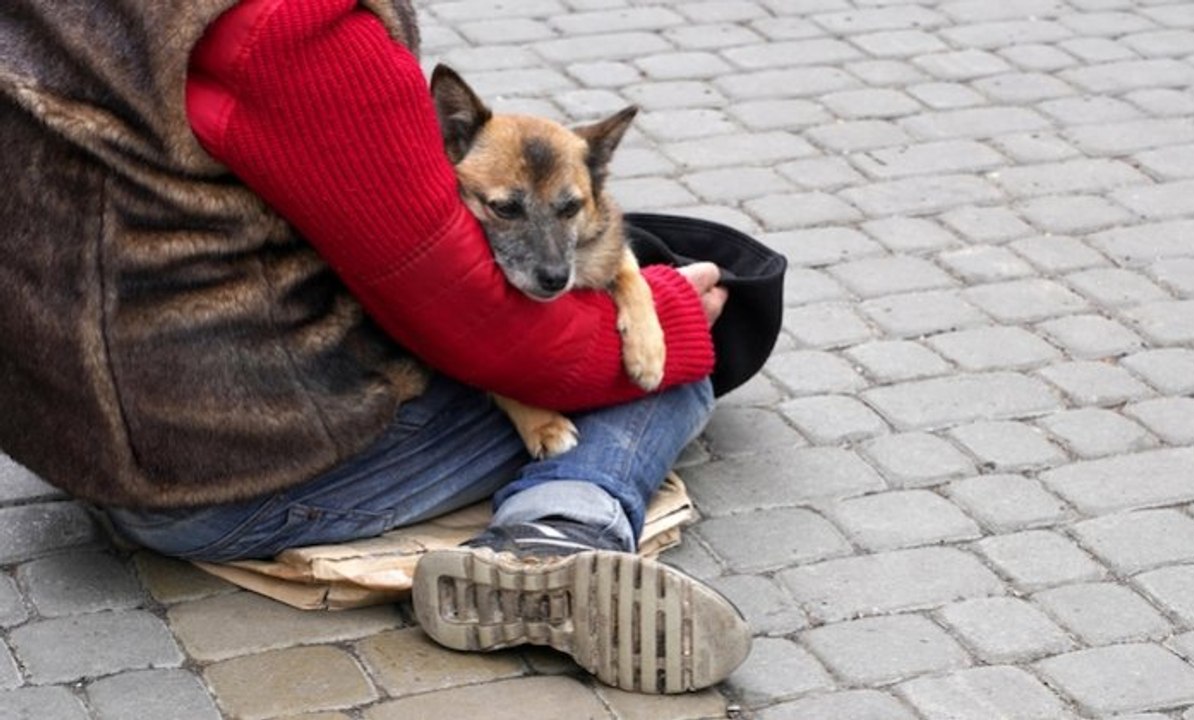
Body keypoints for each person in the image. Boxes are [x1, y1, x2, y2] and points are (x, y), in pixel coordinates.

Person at [0, 0, 750, 693]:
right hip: (223, 477)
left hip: (93, 437)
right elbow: (468, 320)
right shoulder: (296, 33)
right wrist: (674, 317)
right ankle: (554, 541)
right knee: (666, 366)